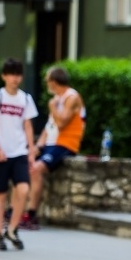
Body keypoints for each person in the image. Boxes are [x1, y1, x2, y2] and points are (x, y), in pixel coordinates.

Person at [0, 58, 38, 251]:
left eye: (18, 74)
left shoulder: (25, 99)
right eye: (11, 74)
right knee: (0, 194)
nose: (15, 78)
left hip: (19, 151)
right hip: (1, 153)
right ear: (4, 76)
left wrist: (31, 151)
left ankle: (12, 229)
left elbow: (28, 126)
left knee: (23, 190)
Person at [22, 66, 85, 230]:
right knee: (23, 164)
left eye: (47, 81)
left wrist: (52, 107)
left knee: (36, 170)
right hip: (51, 143)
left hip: (65, 143)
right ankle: (15, 211)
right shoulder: (58, 98)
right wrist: (37, 146)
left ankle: (31, 215)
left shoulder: (71, 97)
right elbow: (49, 126)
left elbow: (62, 122)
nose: (46, 84)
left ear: (54, 82)